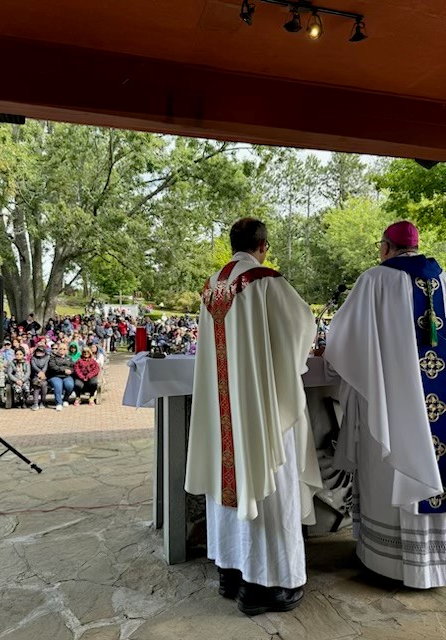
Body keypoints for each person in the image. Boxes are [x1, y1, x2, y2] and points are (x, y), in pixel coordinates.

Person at [185, 217, 321, 616]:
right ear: (263, 245)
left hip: (226, 412)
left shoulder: (213, 285)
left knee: (229, 480)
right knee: (271, 487)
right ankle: (268, 587)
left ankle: (231, 572)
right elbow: (300, 327)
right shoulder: (264, 279)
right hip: (261, 410)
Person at [324, 220, 446, 589]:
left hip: (392, 404)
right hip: (436, 405)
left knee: (388, 468)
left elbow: (342, 341)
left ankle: (390, 563)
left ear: (387, 247)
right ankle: (434, 564)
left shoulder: (375, 279)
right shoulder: (442, 279)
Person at [47, 342, 74, 411]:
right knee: (58, 385)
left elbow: (73, 367)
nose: (62, 350)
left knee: (70, 385)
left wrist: (71, 371)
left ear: (66, 350)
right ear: (57, 349)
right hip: (55, 375)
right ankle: (58, 403)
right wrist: (64, 370)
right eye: (60, 348)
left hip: (66, 376)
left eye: (64, 349)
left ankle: (65, 399)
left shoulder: (69, 358)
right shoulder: (53, 357)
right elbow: (53, 367)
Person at [30, 345, 50, 410]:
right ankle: (35, 403)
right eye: (38, 351)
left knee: (44, 385)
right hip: (35, 375)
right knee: (36, 385)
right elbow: (34, 366)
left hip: (45, 376)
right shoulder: (33, 358)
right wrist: (39, 373)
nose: (39, 352)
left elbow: (46, 366)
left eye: (41, 351)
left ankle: (43, 402)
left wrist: (42, 373)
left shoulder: (47, 357)